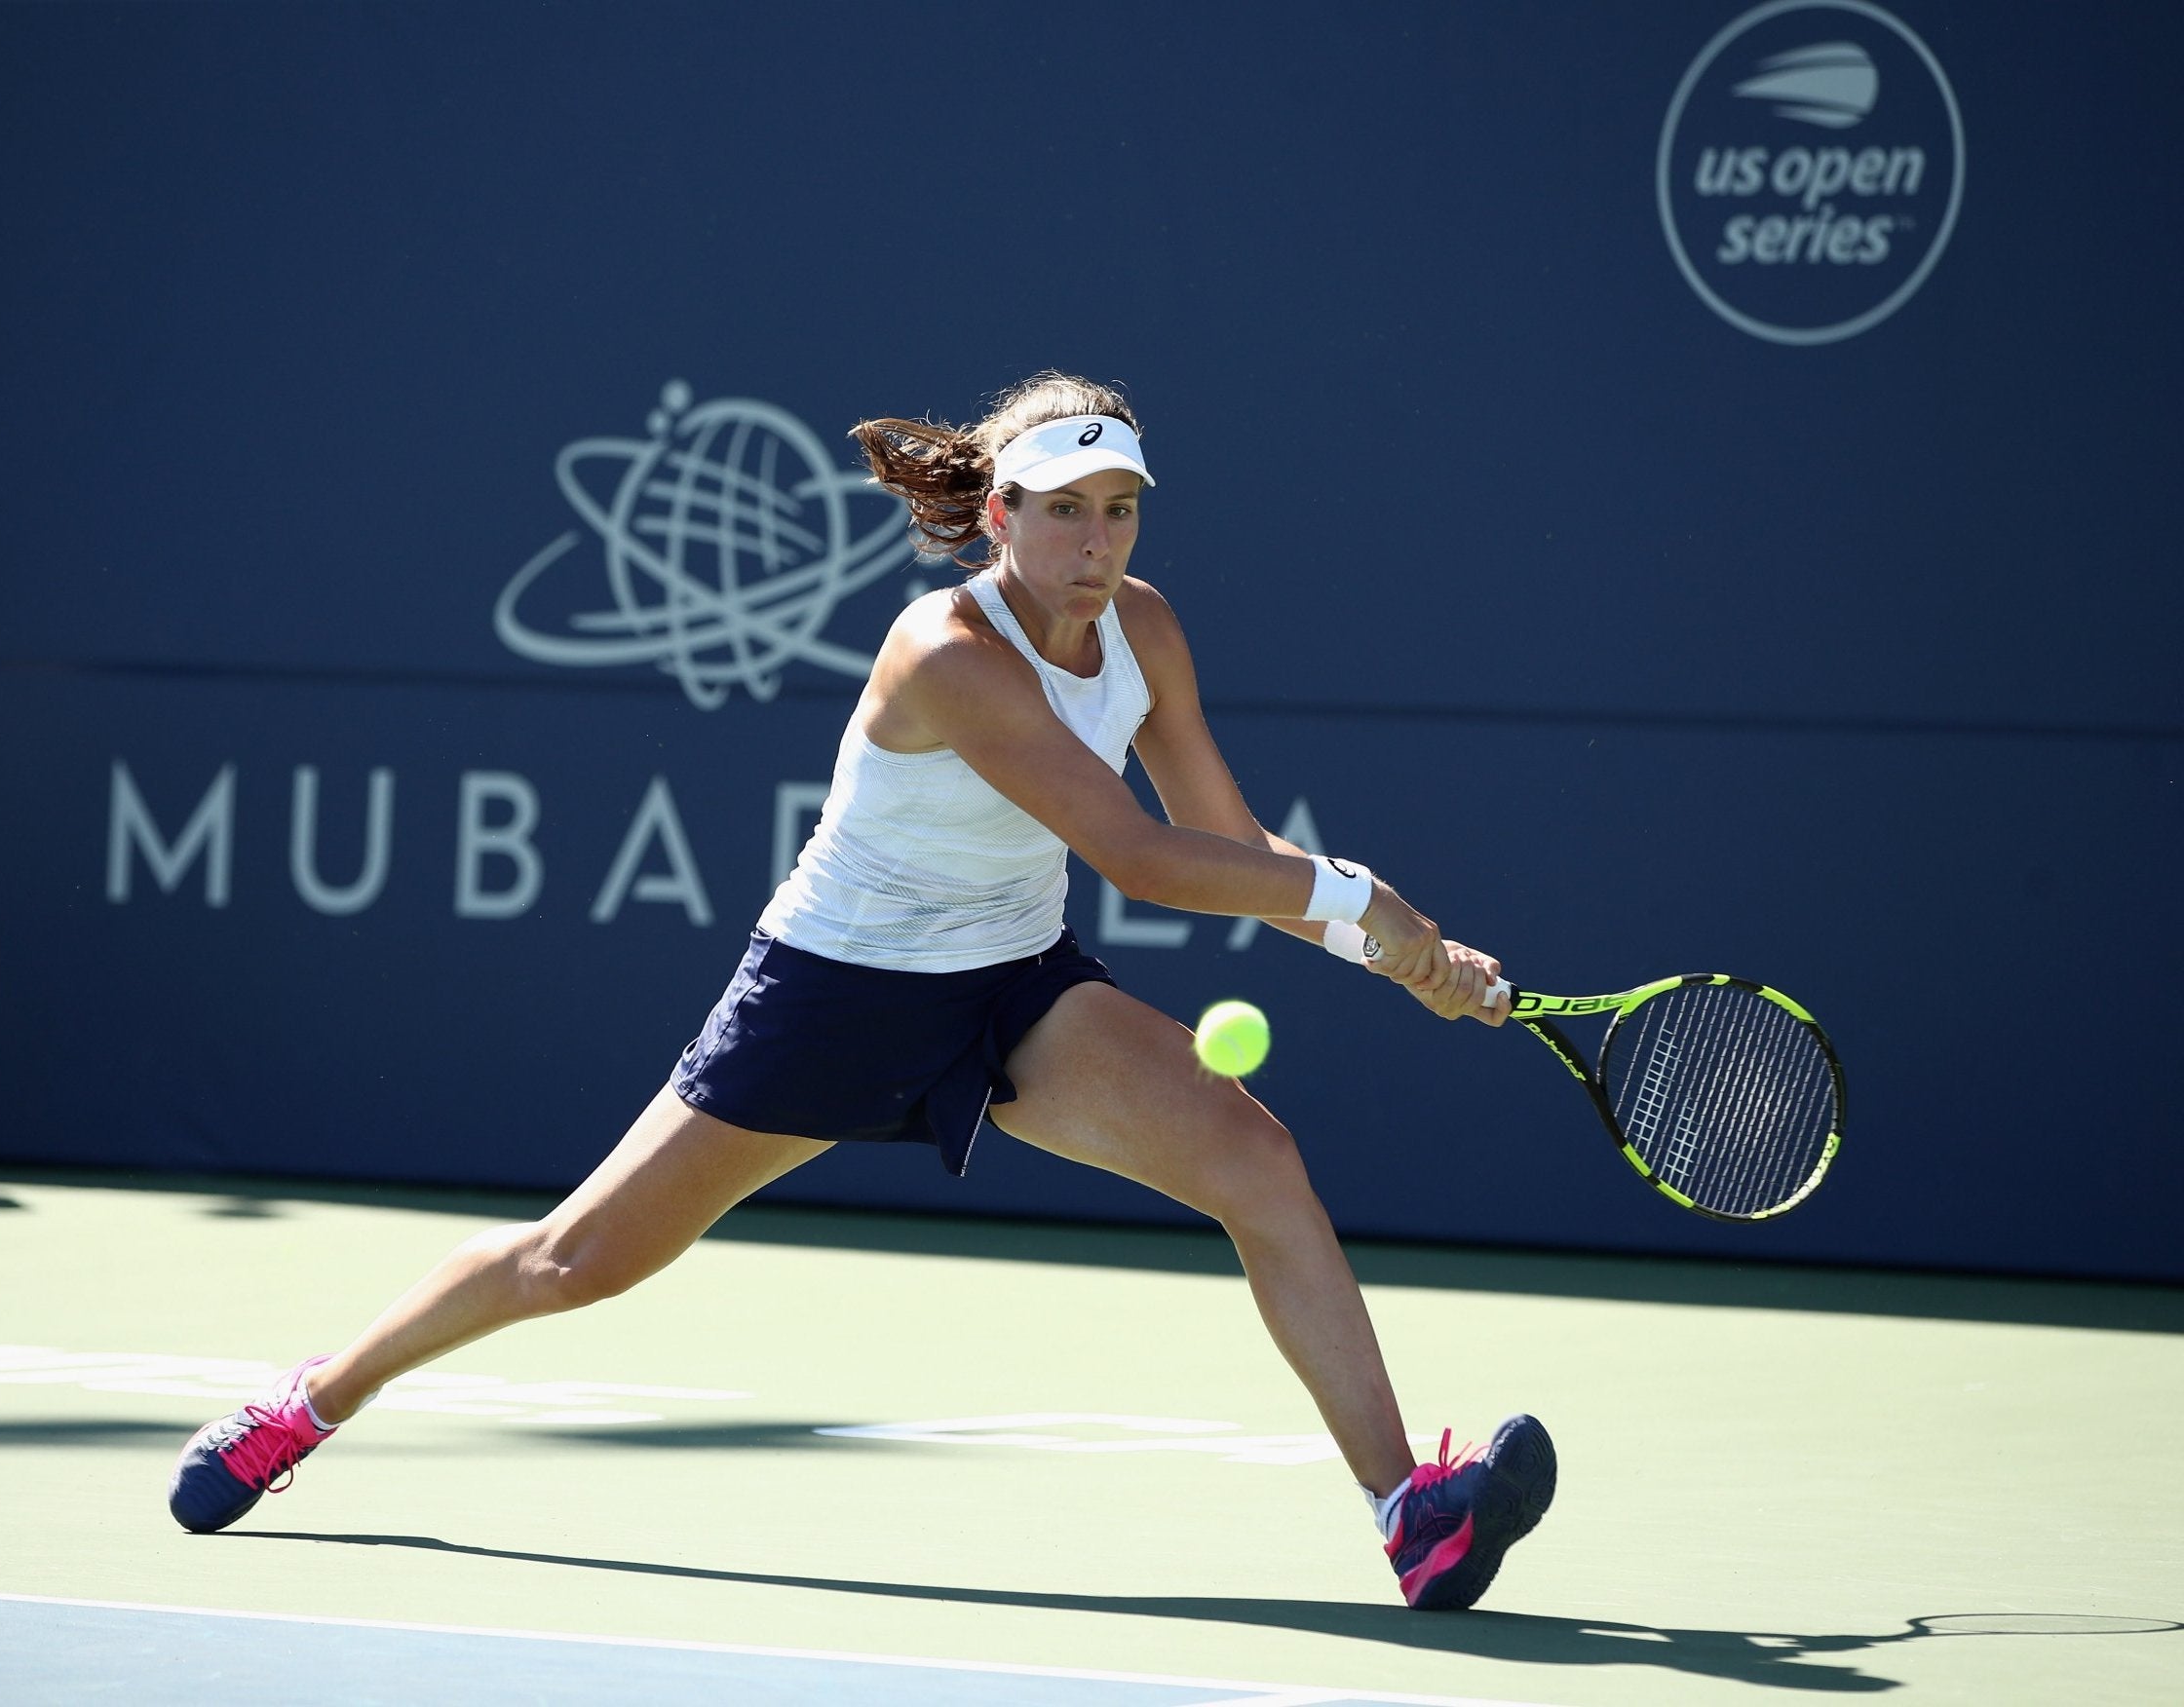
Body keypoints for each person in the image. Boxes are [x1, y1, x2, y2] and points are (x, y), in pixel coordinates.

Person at [166, 372, 1556, 1612]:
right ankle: (312, 1401)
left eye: (1122, 510)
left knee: (1259, 1159)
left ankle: (1409, 1519)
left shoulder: (1145, 629)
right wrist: (1367, 899)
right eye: (1068, 511)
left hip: (1014, 985)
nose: (1099, 543)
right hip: (834, 994)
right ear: (999, 514)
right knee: (575, 1261)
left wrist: (1404, 959)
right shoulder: (944, 652)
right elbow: (1138, 856)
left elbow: (1236, 845)